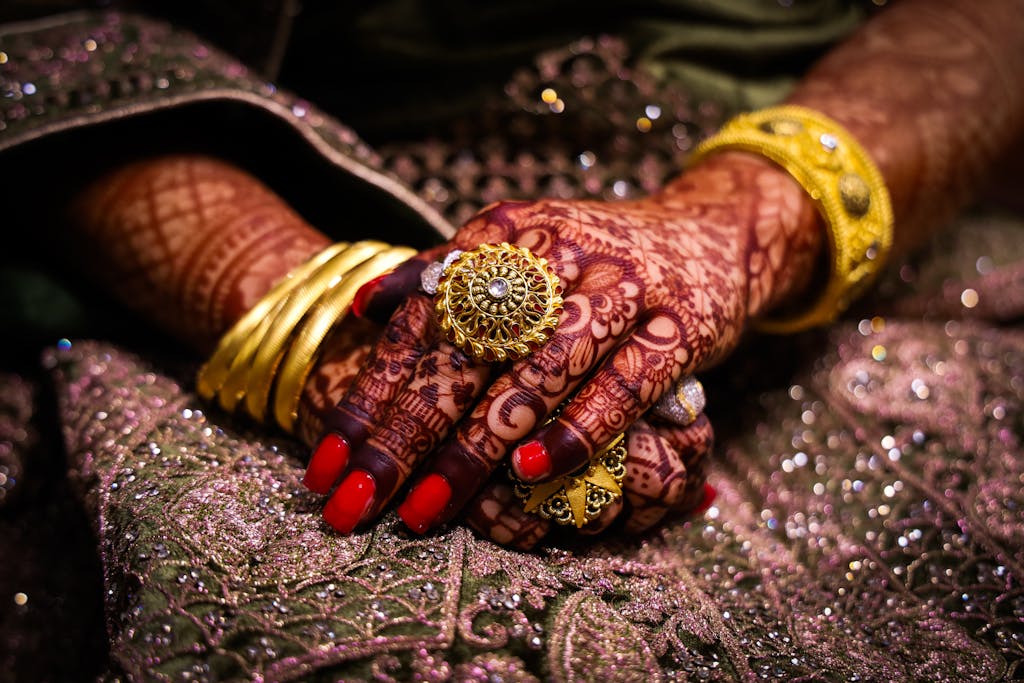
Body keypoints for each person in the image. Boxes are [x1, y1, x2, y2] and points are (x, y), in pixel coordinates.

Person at [1, 0, 1022, 679]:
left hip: (853, 234)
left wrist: (734, 229)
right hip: (292, 211)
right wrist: (312, 304)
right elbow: (40, 35)